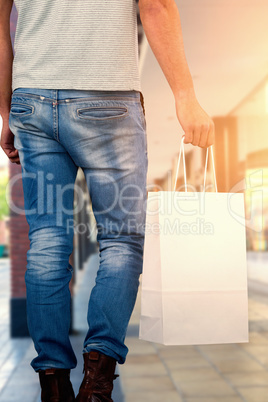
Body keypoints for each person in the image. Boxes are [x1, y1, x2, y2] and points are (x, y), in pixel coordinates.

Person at [0, 0, 215, 401]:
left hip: (31, 101)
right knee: (120, 240)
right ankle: (97, 384)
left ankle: (53, 385)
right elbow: (157, 4)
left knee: (47, 243)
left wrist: (4, 112)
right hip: (107, 97)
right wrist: (185, 95)